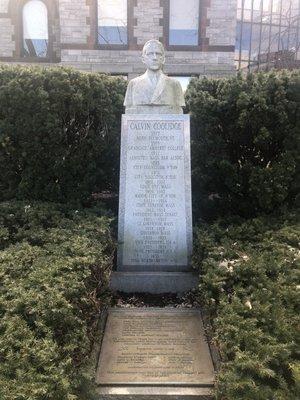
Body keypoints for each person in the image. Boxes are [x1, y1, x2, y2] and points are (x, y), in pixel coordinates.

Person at [124, 39, 185, 114]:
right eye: (150, 54)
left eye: (158, 54)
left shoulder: (174, 84)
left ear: (163, 59)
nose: (154, 57)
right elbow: (129, 110)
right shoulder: (133, 84)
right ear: (143, 59)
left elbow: (179, 111)